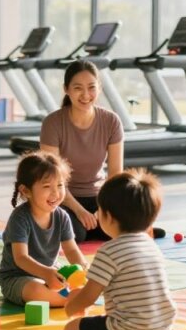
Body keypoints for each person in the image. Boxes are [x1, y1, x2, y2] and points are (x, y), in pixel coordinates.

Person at [63, 170, 179, 330]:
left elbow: (89, 296)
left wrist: (71, 306)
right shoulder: (151, 245)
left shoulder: (108, 251)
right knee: (141, 323)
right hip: (164, 324)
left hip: (129, 329)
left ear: (108, 217)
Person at [39, 60, 125, 242]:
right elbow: (53, 178)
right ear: (66, 89)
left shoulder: (112, 121)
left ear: (99, 88)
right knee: (77, 234)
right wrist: (80, 211)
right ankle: (92, 227)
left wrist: (103, 209)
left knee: (117, 231)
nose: (86, 95)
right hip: (62, 198)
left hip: (98, 197)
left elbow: (116, 174)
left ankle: (104, 226)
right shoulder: (52, 123)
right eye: (78, 88)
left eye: (91, 87)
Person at [0, 150, 88, 307]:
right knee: (35, 290)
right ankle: (71, 300)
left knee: (85, 278)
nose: (55, 193)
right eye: (47, 186)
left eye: (60, 185)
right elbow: (21, 258)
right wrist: (46, 274)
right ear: (26, 191)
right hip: (18, 278)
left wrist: (83, 268)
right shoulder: (20, 218)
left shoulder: (62, 216)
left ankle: (74, 295)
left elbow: (72, 250)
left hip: (50, 272)